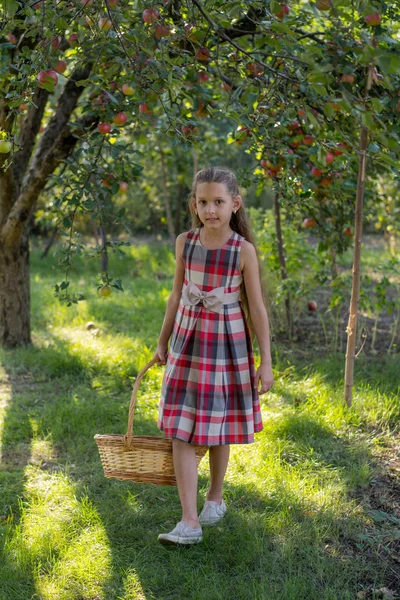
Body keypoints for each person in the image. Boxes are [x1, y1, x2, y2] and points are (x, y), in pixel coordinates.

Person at [153, 166, 273, 546]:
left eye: (218, 202)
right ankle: (189, 522)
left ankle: (215, 498)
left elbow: (256, 308)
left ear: (234, 204)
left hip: (226, 342)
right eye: (203, 202)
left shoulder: (243, 251)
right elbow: (176, 294)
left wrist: (266, 360)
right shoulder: (184, 243)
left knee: (217, 424)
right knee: (180, 427)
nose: (210, 210)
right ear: (194, 204)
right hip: (188, 340)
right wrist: (162, 339)